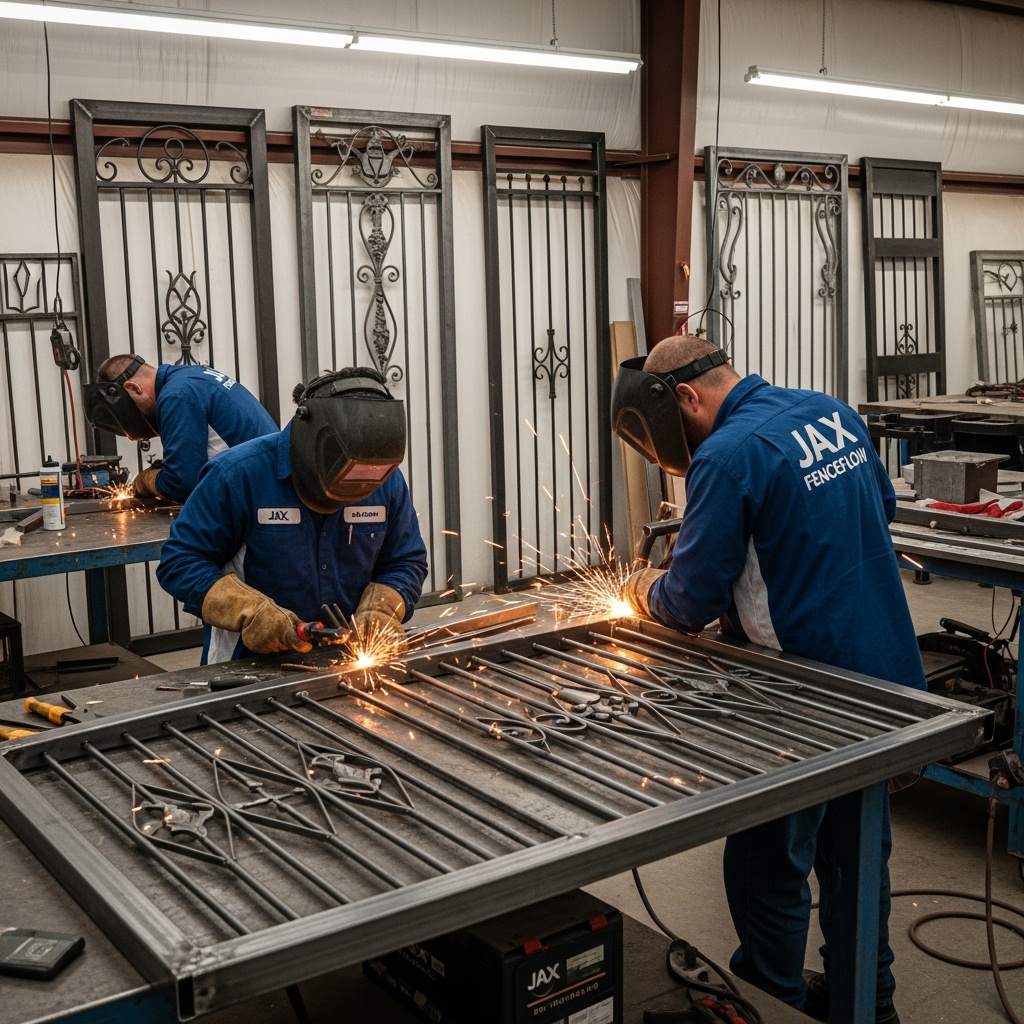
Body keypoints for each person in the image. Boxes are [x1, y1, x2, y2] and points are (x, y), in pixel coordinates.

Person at [612, 335, 925, 1024]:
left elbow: (688, 603)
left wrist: (643, 589)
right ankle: (867, 1002)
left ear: (685, 400)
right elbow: (879, 512)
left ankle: (772, 1002)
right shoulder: (829, 410)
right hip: (886, 679)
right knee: (857, 853)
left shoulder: (725, 455)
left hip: (803, 696)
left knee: (769, 859)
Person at [157, 366, 428, 665]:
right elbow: (180, 562)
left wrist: (383, 609)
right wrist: (248, 611)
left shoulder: (384, 477)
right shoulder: (237, 474)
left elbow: (406, 560)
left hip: (353, 660)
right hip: (247, 664)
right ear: (310, 440)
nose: (360, 486)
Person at [83, 355, 278, 502]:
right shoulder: (187, 378)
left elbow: (181, 484)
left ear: (134, 388)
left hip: (262, 499)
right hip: (265, 485)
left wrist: (145, 480)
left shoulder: (176, 396)